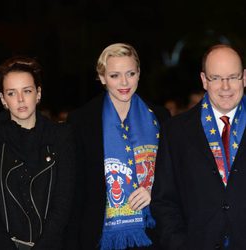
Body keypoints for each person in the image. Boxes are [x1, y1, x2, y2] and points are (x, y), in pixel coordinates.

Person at [67, 43, 170, 250]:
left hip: (152, 232)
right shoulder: (81, 120)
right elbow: (74, 187)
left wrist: (153, 189)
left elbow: (173, 176)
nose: (124, 82)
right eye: (114, 75)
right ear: (102, 78)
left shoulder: (160, 116)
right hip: (98, 235)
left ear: (139, 73)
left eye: (130, 73)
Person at [150, 43, 246, 250]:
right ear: (204, 80)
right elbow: (164, 201)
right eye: (216, 78)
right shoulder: (175, 132)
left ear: (244, 77)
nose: (226, 86)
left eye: (232, 77)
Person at [0, 56, 76, 250]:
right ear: (3, 99)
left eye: (27, 91)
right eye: (12, 93)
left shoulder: (61, 137)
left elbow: (63, 203)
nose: (21, 99)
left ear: (38, 94)